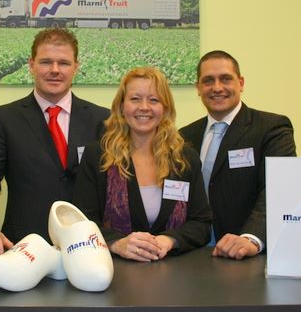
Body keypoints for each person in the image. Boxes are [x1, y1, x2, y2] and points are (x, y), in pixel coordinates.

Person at [0, 28, 109, 256]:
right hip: (23, 248)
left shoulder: (102, 119)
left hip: (87, 248)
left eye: (64, 63)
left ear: (76, 67)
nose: (55, 70)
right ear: (31, 64)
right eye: (46, 62)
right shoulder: (4, 119)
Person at [74, 67, 212, 262]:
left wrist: (170, 240)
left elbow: (201, 224)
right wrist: (116, 243)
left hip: (174, 271)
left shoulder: (184, 159)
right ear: (122, 106)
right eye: (135, 99)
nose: (144, 107)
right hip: (115, 270)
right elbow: (82, 223)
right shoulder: (97, 156)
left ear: (165, 108)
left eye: (154, 100)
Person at [179, 50, 296, 260]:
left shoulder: (271, 128)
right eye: (208, 81)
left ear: (240, 83)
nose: (217, 88)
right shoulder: (184, 136)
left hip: (246, 254)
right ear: (198, 88)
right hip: (194, 254)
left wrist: (251, 238)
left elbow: (278, 188)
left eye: (225, 79)